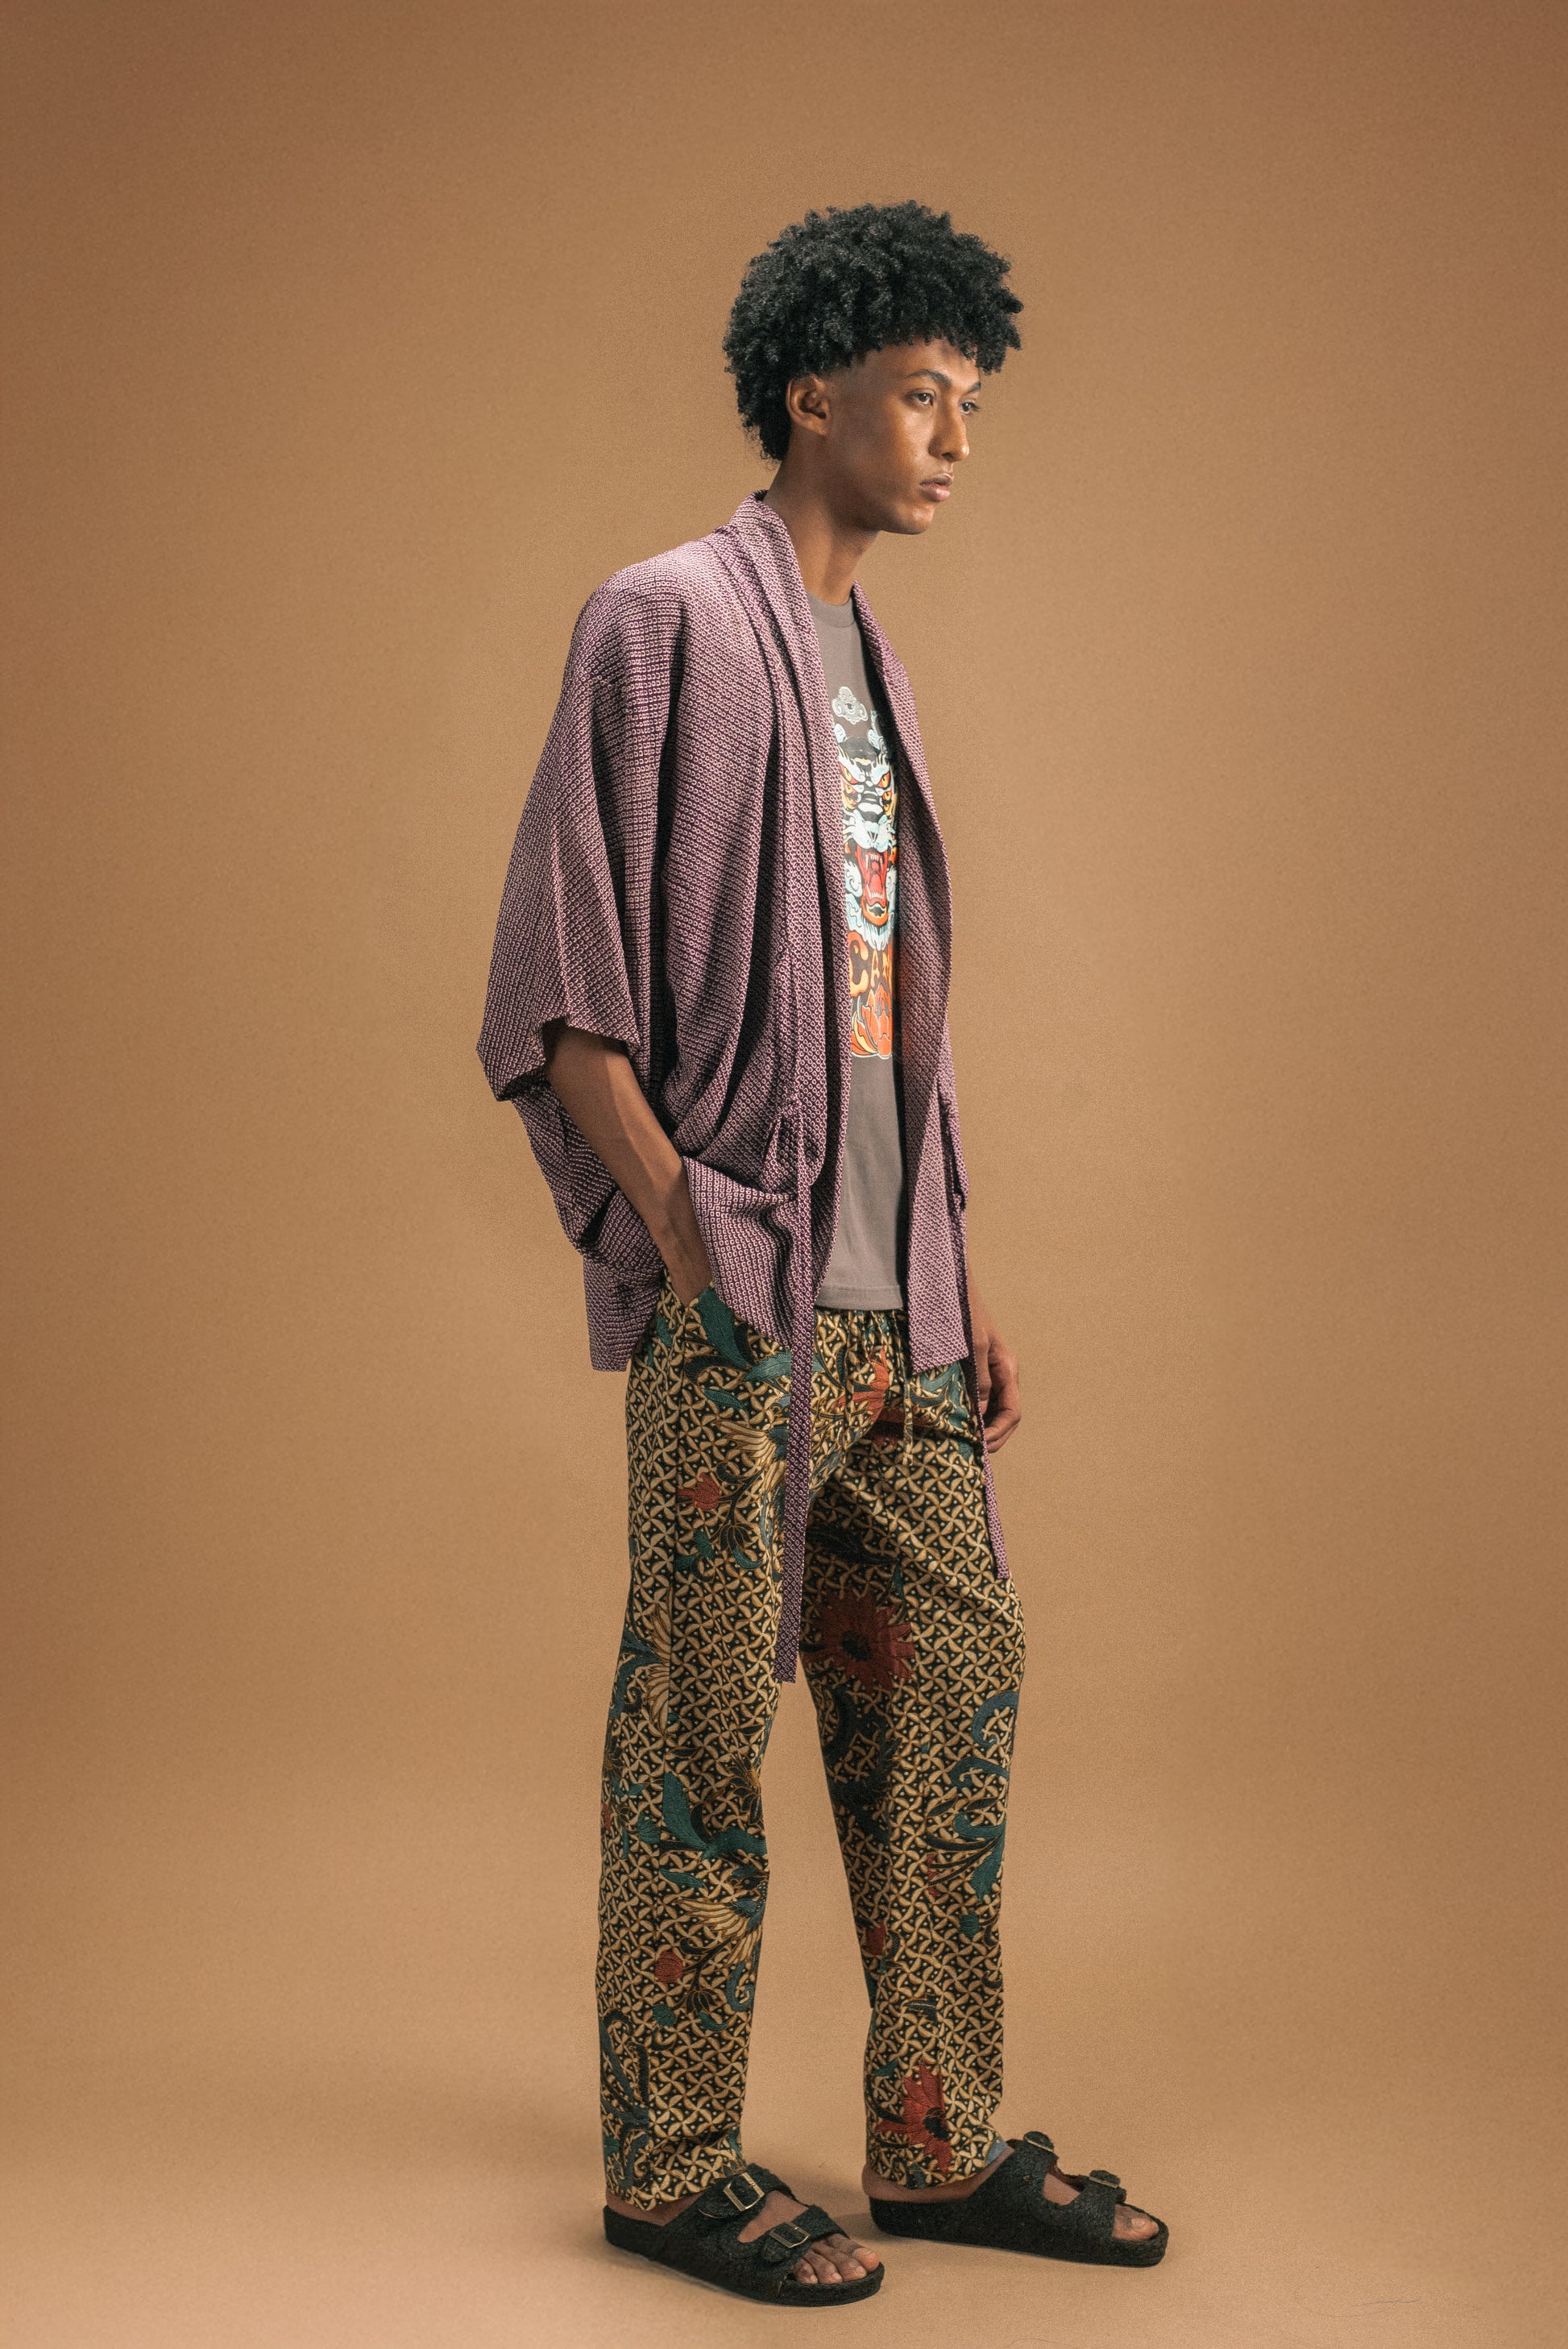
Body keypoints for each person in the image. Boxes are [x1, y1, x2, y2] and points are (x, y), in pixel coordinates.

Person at [479, 201, 1167, 2308]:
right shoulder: (662, 621)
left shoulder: (875, 674)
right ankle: (671, 2164)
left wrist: (955, 1273)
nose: (953, 439)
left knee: (952, 1681)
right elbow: (558, 982)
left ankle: (936, 2138)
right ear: (811, 395)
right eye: (922, 396)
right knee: (702, 1726)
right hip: (747, 1297)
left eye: (972, 406)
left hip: (898, 1303)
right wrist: (688, 1228)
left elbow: (885, 1020)